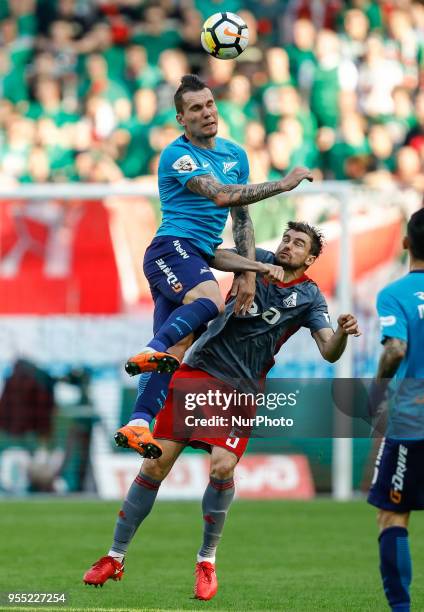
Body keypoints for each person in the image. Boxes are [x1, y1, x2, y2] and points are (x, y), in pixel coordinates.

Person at [83, 221, 361, 598]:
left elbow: (329, 351)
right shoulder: (256, 260)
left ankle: (206, 560)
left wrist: (343, 331)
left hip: (240, 390)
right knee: (153, 464)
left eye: (298, 244)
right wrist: (251, 266)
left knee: (222, 465)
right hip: (198, 372)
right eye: (286, 238)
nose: (288, 246)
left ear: (310, 258)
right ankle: (114, 557)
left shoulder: (311, 297)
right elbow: (217, 256)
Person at [115, 74, 313, 460]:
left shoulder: (235, 156)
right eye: (195, 109)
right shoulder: (178, 155)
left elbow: (241, 219)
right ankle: (147, 349)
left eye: (209, 104)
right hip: (170, 250)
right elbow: (222, 196)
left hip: (200, 254)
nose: (206, 113)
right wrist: (283, 184)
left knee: (178, 346)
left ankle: (138, 423)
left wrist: (249, 271)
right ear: (181, 118)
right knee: (209, 301)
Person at [367, 208, 424, 612]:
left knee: (392, 516)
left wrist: (376, 388)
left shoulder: (395, 294)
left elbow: (396, 347)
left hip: (412, 419)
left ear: (406, 244)